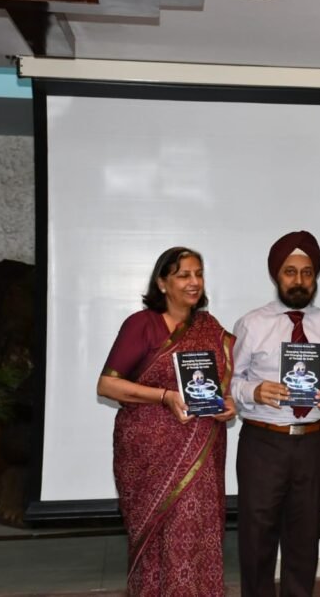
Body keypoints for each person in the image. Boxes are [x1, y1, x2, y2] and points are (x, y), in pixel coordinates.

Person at [96, 246, 236, 597]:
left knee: (196, 530)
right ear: (162, 283)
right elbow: (107, 384)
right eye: (183, 275)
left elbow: (221, 385)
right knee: (158, 538)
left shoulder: (210, 327)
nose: (194, 282)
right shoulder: (141, 325)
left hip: (200, 454)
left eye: (198, 274)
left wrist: (228, 404)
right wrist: (164, 396)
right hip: (149, 452)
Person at [231, 230, 320, 597]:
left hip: (314, 443)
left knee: (305, 537)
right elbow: (230, 382)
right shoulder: (252, 323)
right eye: (290, 272)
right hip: (263, 442)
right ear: (276, 275)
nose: (299, 280)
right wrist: (255, 391)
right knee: (257, 537)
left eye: (307, 272)